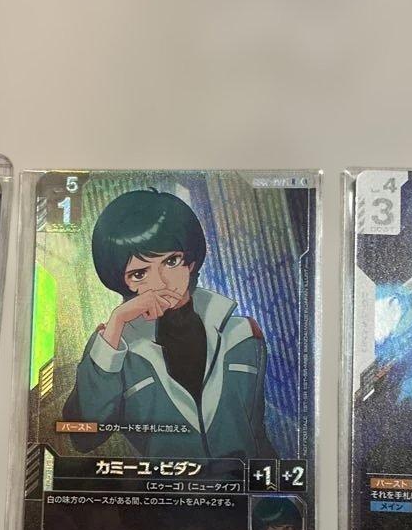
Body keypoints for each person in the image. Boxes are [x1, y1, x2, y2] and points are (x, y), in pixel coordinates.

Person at [63, 189, 275, 459]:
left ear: (191, 262)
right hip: (164, 483)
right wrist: (116, 322)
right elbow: (83, 436)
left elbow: (257, 435)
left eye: (171, 261)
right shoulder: (113, 347)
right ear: (122, 281)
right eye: (139, 273)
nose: (161, 282)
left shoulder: (243, 335)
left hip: (243, 483)